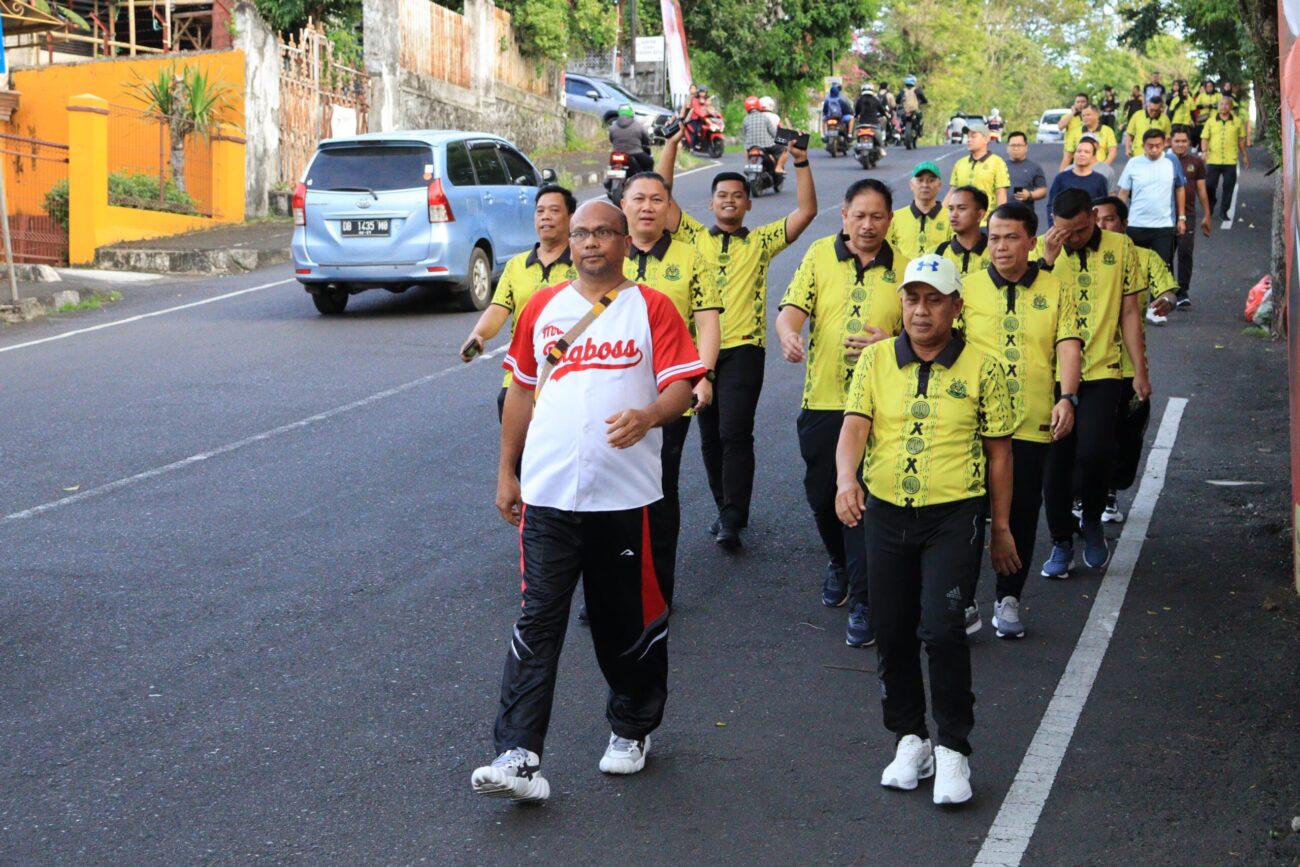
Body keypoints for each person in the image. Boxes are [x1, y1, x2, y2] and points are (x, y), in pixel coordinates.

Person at [471, 199, 705, 804]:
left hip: (626, 499)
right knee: (538, 619)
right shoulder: (542, 308)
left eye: (604, 232)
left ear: (626, 241)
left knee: (620, 623)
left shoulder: (651, 307)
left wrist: (652, 414)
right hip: (548, 496)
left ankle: (632, 726)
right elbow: (520, 393)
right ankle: (518, 754)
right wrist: (507, 472)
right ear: (569, 243)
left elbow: (685, 384)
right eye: (581, 234)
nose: (591, 243)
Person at [834, 253, 1016, 806]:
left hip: (953, 516)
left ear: (956, 307)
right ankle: (910, 738)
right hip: (886, 514)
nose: (920, 310)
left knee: (941, 629)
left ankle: (954, 749)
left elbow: (1000, 454)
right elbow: (855, 425)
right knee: (890, 629)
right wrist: (846, 479)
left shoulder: (983, 367)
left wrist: (1001, 528)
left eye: (934, 299)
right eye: (912, 298)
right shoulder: (877, 361)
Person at [656, 126, 819, 550]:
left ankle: (733, 515)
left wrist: (800, 162)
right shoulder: (691, 236)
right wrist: (671, 145)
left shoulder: (762, 242)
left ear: (749, 203)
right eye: (722, 196)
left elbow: (805, 212)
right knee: (708, 435)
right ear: (710, 203)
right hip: (698, 354)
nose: (729, 200)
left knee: (734, 431)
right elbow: (660, 196)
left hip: (746, 349)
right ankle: (724, 507)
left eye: (737, 195)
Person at [776, 178, 904, 648]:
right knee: (822, 496)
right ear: (844, 216)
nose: (868, 225)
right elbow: (791, 309)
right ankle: (838, 562)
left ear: (889, 220)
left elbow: (929, 335)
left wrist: (889, 344)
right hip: (823, 400)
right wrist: (789, 333)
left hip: (881, 409)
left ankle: (865, 602)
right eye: (859, 215)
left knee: (862, 506)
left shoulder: (906, 269)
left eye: (877, 216)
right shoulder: (818, 256)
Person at [960, 202, 1082, 639]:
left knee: (1022, 513)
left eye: (1011, 237)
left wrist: (1067, 397)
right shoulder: (967, 288)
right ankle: (965, 599)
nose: (1001, 246)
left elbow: (1068, 345)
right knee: (970, 513)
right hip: (971, 426)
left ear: (1032, 242)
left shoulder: (1056, 288)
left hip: (1032, 423)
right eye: (994, 237)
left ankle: (1008, 598)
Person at [1038, 188, 1149, 577]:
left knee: (1095, 452)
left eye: (1081, 230)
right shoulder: (1043, 252)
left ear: (1093, 216)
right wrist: (1047, 263)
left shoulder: (1121, 247)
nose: (1074, 238)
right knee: (1055, 463)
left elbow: (1130, 311)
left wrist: (1141, 371)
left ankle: (1091, 518)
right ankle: (1060, 541)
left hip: (1103, 369)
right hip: (1049, 375)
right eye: (1064, 232)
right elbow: (1034, 307)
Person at [620, 171, 723, 572]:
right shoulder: (607, 255)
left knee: (661, 488)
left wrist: (705, 375)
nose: (648, 207)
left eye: (657, 200)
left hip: (670, 392)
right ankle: (610, 583)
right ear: (623, 205)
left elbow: (708, 322)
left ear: (669, 208)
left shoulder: (691, 257)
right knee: (607, 490)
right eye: (639, 199)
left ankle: (658, 584)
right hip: (613, 388)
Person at [460, 184, 579, 420]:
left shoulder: (583, 264)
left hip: (571, 370)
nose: (545, 216)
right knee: (516, 451)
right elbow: (498, 309)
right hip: (521, 372)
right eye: (540, 211)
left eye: (554, 211)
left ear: (571, 217)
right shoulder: (516, 265)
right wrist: (478, 334)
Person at [1093, 196, 1177, 521]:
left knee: (1126, 436)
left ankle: (1111, 492)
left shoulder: (1144, 257)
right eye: (1096, 219)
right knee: (1088, 438)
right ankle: (1084, 496)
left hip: (1129, 367)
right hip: (1087, 368)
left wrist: (1166, 300)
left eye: (1109, 219)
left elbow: (1167, 289)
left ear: (1124, 224)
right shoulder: (1079, 259)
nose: (1102, 225)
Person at [1117, 128, 1186, 268]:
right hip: (1136, 225)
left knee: (1162, 271)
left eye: (1158, 146)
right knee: (1134, 271)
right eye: (1150, 146)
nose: (1154, 149)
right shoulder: (1133, 163)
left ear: (1164, 144)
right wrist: (1118, 219)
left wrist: (1181, 218)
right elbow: (1123, 193)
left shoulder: (1172, 161)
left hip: (1164, 227)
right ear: (1143, 146)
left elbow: (1180, 188)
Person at [1168, 126, 1212, 307]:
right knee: (1165, 254)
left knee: (1185, 252)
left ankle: (1183, 291)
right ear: (1170, 141)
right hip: (1165, 216)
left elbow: (1202, 189)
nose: (1180, 145)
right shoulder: (1162, 161)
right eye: (1177, 141)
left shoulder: (1196, 162)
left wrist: (1207, 214)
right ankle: (1167, 290)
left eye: (1184, 141)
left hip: (1189, 214)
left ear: (1189, 143)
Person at [945, 121, 1009, 223]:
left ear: (986, 139)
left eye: (973, 136)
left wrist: (1001, 220)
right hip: (961, 223)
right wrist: (941, 215)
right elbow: (953, 191)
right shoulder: (960, 163)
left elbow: (1001, 193)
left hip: (985, 223)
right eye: (968, 137)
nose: (969, 140)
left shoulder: (997, 162)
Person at [1201, 95, 1250, 224]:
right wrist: (1204, 152)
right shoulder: (1210, 121)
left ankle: (1224, 212)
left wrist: (1244, 155)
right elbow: (1205, 138)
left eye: (1226, 104)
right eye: (1221, 104)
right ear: (1218, 106)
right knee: (1209, 185)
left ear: (1231, 107)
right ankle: (1211, 204)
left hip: (1230, 160)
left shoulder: (1237, 122)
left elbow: (1241, 141)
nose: (1223, 106)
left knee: (1228, 187)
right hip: (1213, 159)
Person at [887, 161, 950, 260]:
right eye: (920, 180)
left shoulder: (951, 218)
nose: (925, 185)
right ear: (911, 185)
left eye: (931, 180)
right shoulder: (895, 218)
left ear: (939, 185)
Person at [1047, 136, 1109, 227]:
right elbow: (1051, 205)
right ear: (1074, 154)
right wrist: (1053, 226)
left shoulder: (1100, 180)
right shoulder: (1061, 178)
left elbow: (1103, 208)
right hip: (1064, 228)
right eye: (1079, 151)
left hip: (1090, 229)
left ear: (1093, 157)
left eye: (1086, 152)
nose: (1082, 154)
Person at [936, 185, 990, 278]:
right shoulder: (936, 253)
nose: (954, 214)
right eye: (951, 209)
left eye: (961, 208)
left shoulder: (996, 253)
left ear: (980, 215)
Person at [1061, 105, 1118, 171]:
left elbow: (1112, 151)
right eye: (1083, 116)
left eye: (1088, 115)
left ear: (1097, 115)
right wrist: (1061, 174)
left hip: (1099, 169)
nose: (1085, 118)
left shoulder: (1107, 131)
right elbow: (1068, 156)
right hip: (1079, 170)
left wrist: (1104, 167)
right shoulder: (1075, 132)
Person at [742, 94, 782, 174]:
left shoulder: (746, 119)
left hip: (751, 146)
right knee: (782, 150)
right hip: (766, 145)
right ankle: (778, 167)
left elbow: (744, 133)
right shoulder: (766, 117)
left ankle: (747, 166)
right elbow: (774, 132)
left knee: (746, 150)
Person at [609, 104, 654, 174]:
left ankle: (608, 179)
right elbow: (646, 138)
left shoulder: (613, 126)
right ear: (632, 113)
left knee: (611, 165)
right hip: (635, 153)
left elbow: (611, 139)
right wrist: (649, 142)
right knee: (649, 162)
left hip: (617, 154)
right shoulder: (638, 125)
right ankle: (647, 182)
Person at [1006, 131, 1047, 204]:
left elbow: (1043, 190)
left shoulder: (1034, 167)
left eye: (1019, 145)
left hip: (1025, 211)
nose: (1016, 148)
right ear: (1007, 147)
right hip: (1002, 211)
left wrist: (1029, 194)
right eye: (1013, 145)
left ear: (1026, 147)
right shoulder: (1000, 166)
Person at [760, 95, 789, 173]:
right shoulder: (775, 117)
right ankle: (779, 167)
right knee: (785, 150)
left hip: (757, 144)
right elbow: (781, 131)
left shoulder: (755, 116)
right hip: (772, 145)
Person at [1192, 79, 1219, 149]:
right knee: (1202, 134)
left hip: (1215, 118)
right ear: (1205, 87)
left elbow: (1221, 103)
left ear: (1213, 87)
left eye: (1211, 86)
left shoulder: (1218, 95)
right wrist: (1204, 105)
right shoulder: (1201, 95)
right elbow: (1196, 105)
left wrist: (1213, 105)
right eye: (1207, 86)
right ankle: (1201, 148)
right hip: (1204, 119)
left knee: (1213, 134)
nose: (1209, 88)